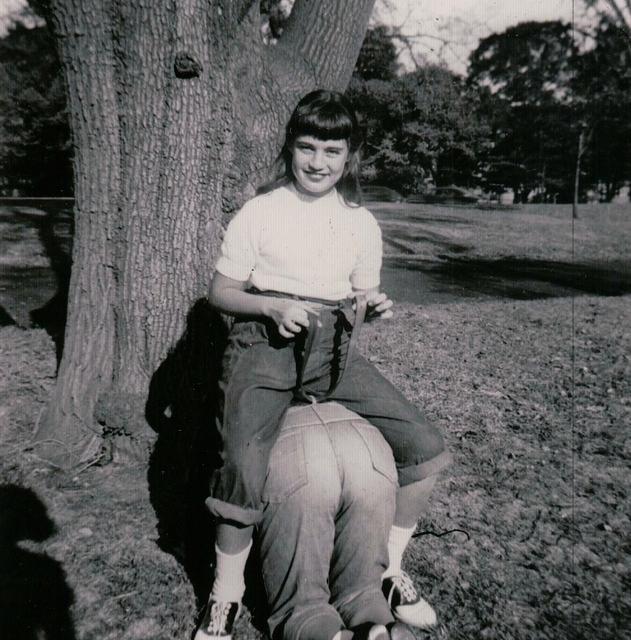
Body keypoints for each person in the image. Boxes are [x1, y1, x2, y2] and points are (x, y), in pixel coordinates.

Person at [196, 90, 451, 640]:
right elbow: (220, 291)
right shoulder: (261, 211)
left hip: (332, 352)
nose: (318, 163)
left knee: (426, 447)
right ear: (290, 147)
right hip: (262, 345)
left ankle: (388, 569)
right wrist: (271, 305)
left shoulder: (360, 223)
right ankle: (226, 598)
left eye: (332, 151)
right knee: (242, 465)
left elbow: (360, 303)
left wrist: (375, 309)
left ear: (349, 155)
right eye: (307, 148)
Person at [258, 402, 415, 640]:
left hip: (294, 441)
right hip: (364, 441)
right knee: (363, 590)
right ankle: (377, 625)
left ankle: (328, 633)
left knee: (302, 607)